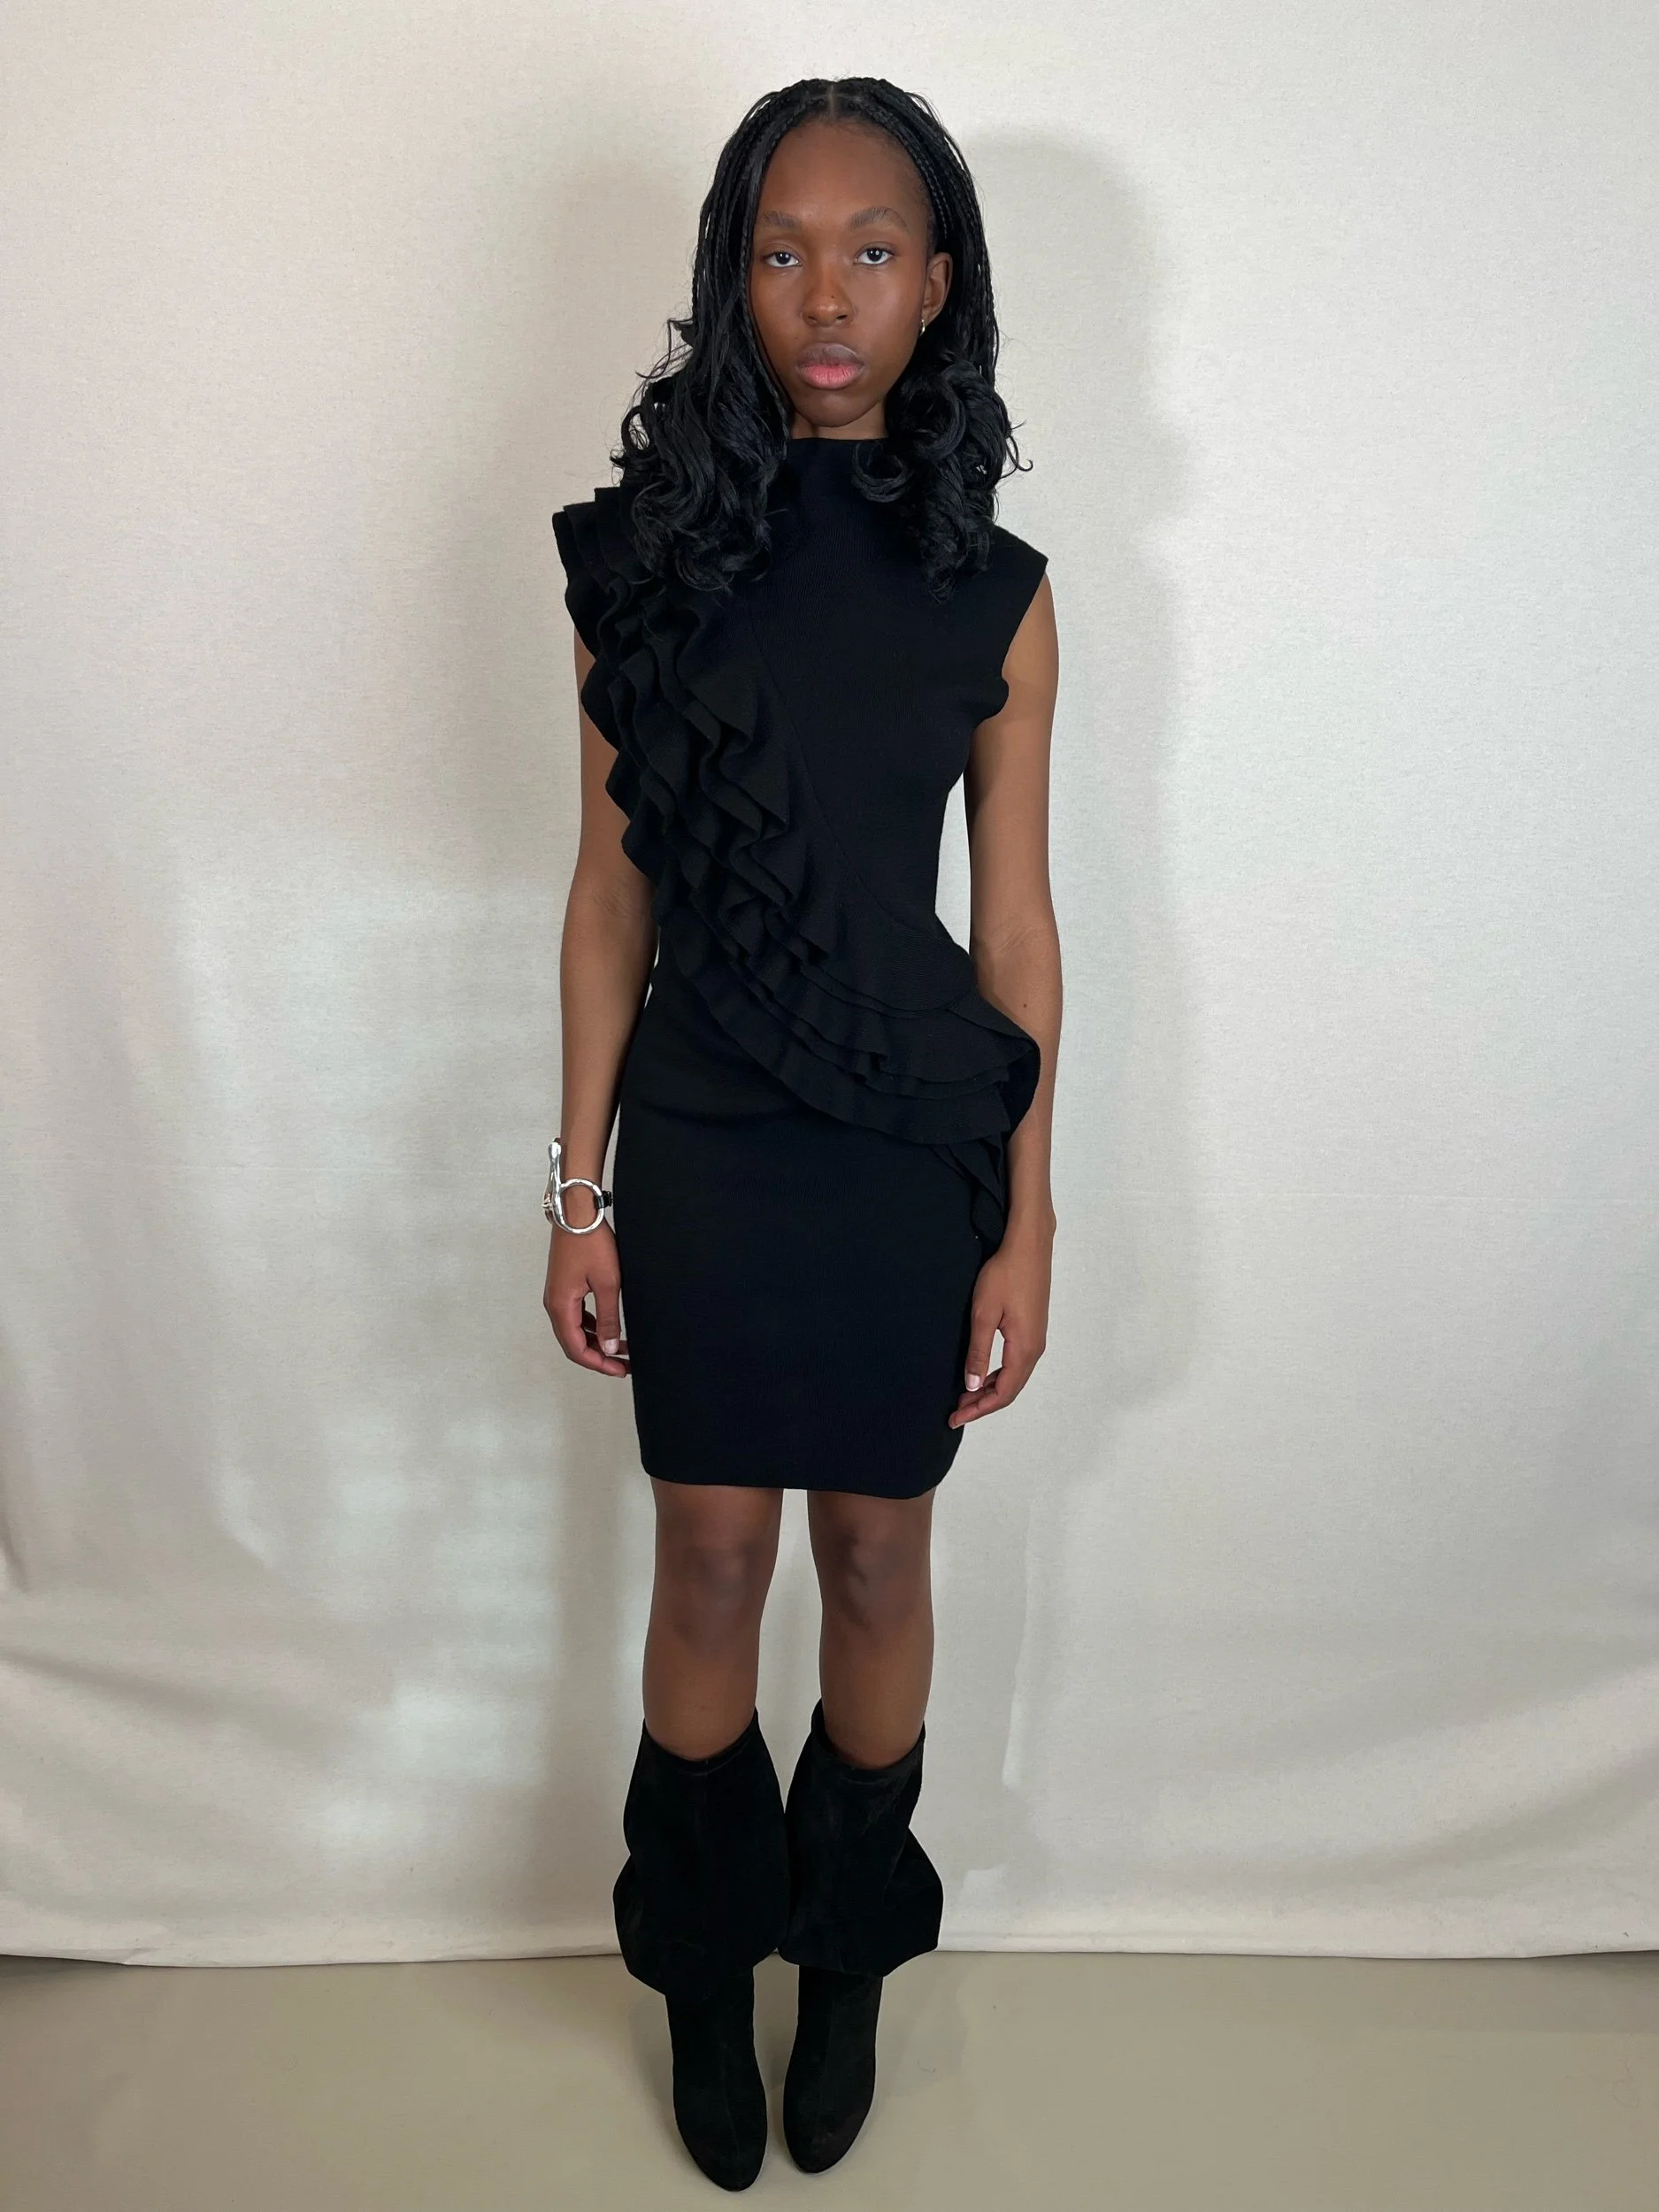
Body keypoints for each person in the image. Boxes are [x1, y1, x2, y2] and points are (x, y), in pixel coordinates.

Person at [545, 75, 1061, 2192]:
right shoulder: (639, 566)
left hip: (905, 1135)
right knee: (709, 1549)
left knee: (871, 1548)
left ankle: (840, 1959)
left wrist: (1027, 1217)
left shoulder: (995, 589)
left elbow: (1013, 922)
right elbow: (606, 894)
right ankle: (700, 1969)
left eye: (870, 250)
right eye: (781, 250)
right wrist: (575, 1183)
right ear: (729, 275)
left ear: (938, 284)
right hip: (701, 1127)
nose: (825, 295)